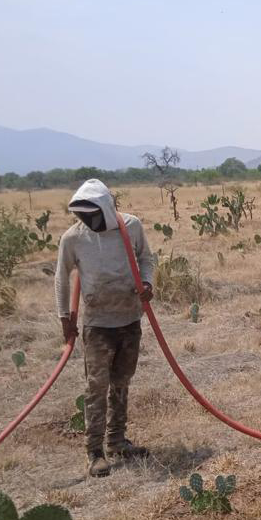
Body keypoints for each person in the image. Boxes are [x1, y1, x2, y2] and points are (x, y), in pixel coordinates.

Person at [55, 179, 156, 477]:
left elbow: (146, 259)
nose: (87, 221)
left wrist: (147, 282)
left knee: (122, 382)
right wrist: (65, 317)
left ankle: (117, 441)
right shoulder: (73, 238)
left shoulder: (131, 227)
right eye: (82, 216)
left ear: (107, 209)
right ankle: (94, 451)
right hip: (98, 324)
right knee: (96, 386)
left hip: (129, 318)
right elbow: (61, 278)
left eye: (92, 215)